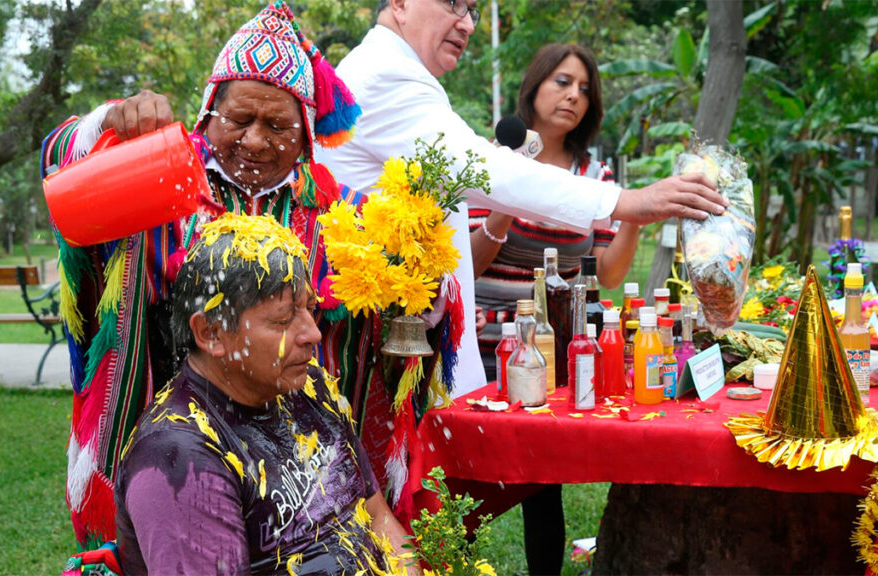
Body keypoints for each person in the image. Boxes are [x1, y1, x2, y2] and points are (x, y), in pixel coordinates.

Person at [40, 1, 379, 552]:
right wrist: (109, 120)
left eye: (277, 125)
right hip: (166, 437)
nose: (254, 140)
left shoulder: (334, 210)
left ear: (308, 134)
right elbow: (61, 173)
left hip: (289, 445)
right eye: (238, 119)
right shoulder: (159, 173)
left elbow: (372, 323)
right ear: (207, 113)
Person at [315, 0, 728, 402]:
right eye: (453, 4)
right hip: (377, 339)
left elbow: (605, 271)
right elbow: (481, 169)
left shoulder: (398, 71)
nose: (468, 24)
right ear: (401, 4)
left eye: (472, 10)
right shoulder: (386, 74)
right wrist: (627, 201)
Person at [115, 213, 414, 575]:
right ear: (211, 333)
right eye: (283, 320)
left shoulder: (310, 387)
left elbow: (378, 516)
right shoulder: (179, 457)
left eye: (309, 309)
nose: (312, 335)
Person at [468, 43, 632, 576]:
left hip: (550, 350)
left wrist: (636, 213)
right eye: (562, 82)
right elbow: (464, 264)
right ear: (535, 86)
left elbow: (608, 274)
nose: (573, 97)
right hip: (483, 342)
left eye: (584, 89)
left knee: (544, 482)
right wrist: (505, 200)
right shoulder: (491, 159)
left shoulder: (594, 175)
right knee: (465, 477)